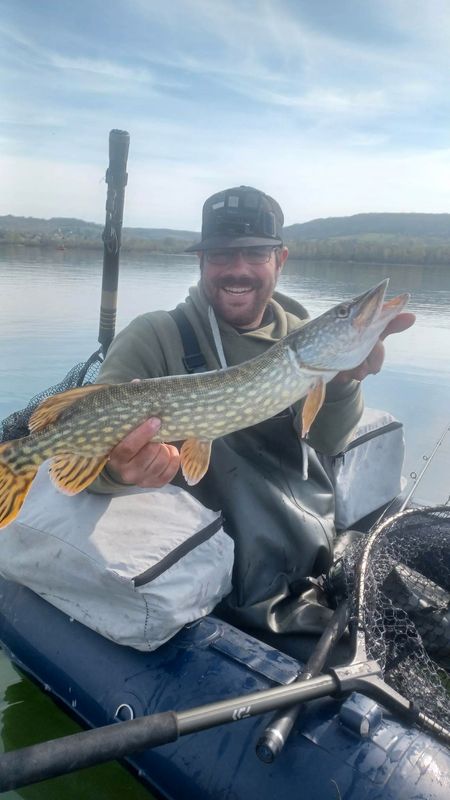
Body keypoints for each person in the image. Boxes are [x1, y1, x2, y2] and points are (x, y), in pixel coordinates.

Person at [89, 186, 414, 652]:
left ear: (280, 260)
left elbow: (328, 438)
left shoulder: (305, 341)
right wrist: (115, 470)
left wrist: (344, 381)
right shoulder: (154, 337)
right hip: (204, 587)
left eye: (255, 254)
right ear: (202, 262)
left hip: (306, 565)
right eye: (221, 254)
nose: (237, 269)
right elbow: (79, 456)